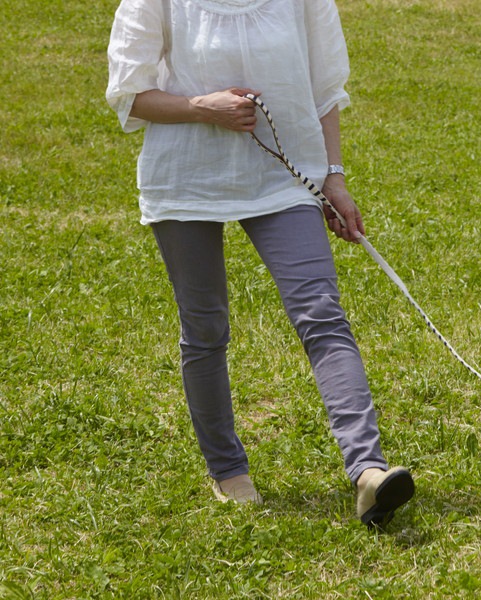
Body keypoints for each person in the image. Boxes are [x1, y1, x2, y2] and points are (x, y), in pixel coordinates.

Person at [105, 0, 414, 528]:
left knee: (322, 313)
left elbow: (324, 91)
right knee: (205, 328)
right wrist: (204, 107)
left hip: (284, 181)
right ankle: (227, 470)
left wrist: (333, 177)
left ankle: (368, 470)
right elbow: (130, 94)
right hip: (185, 178)